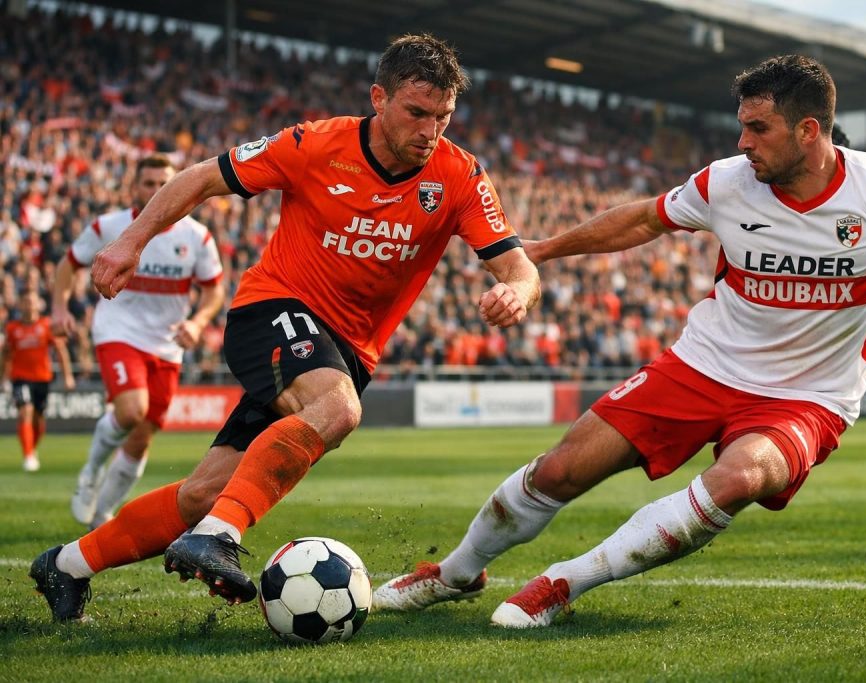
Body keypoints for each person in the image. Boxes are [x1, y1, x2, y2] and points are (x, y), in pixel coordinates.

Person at [373, 54, 866, 628]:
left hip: (808, 397)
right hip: (703, 366)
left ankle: (566, 580)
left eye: (757, 128)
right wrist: (544, 248)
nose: (743, 142)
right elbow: (641, 220)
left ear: (808, 130)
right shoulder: (728, 182)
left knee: (738, 477)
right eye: (741, 126)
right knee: (561, 468)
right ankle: (456, 571)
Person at [30, 33, 540, 623]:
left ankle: (66, 566)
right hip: (272, 309)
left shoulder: (458, 175)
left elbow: (517, 262)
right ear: (379, 98)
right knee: (338, 410)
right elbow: (200, 177)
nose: (430, 131)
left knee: (201, 494)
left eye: (443, 117)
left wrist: (516, 291)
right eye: (417, 113)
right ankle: (218, 536)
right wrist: (130, 241)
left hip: (346, 349)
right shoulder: (315, 143)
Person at [51, 155, 226, 530]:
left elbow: (214, 291)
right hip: (119, 330)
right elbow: (68, 265)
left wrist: (197, 322)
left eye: (163, 182)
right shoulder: (109, 226)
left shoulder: (197, 237)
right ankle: (91, 474)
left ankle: (104, 514)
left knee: (144, 433)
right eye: (148, 183)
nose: (156, 190)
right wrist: (59, 307)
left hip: (168, 343)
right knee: (131, 411)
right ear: (135, 188)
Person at [1, 289, 75, 471]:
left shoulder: (46, 325)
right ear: (20, 305)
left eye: (32, 302)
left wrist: (67, 376)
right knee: (25, 410)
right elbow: (6, 355)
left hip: (42, 379)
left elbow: (60, 351)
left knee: (38, 420)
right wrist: (4, 378)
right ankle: (28, 456)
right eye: (25, 302)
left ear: (38, 304)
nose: (29, 305)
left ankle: (31, 449)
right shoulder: (12, 328)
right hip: (20, 378)